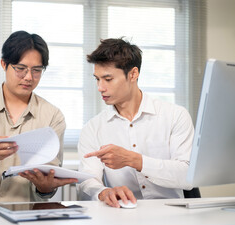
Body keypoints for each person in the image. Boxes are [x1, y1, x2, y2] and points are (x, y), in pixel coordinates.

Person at [0, 31, 77, 202]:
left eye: (37, 70)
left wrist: (46, 186)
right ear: (4, 64)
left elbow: (50, 176)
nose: (28, 77)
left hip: (28, 212)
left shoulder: (53, 116)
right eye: (20, 69)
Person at [78, 38, 194, 208]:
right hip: (121, 217)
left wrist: (135, 160)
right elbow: (87, 180)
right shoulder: (93, 128)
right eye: (97, 79)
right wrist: (103, 192)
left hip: (172, 215)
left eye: (108, 79)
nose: (100, 88)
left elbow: (187, 176)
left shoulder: (175, 116)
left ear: (133, 74)